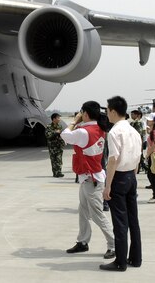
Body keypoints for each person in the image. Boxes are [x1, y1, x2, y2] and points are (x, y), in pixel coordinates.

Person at [61, 101, 115, 260]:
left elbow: (64, 135)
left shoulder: (83, 131)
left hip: (91, 179)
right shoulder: (99, 128)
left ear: (85, 113)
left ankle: (113, 244)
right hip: (90, 177)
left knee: (97, 214)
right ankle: (83, 241)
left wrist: (74, 121)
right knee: (83, 211)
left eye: (81, 113)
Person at [100, 96, 143, 271]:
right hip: (131, 176)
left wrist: (107, 185)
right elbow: (138, 156)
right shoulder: (134, 131)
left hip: (118, 177)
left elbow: (113, 159)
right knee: (133, 220)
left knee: (119, 222)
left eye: (107, 111)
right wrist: (132, 178)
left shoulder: (115, 132)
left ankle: (120, 262)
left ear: (112, 111)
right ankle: (135, 257)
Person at [45, 113, 66, 178]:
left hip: (59, 145)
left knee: (59, 159)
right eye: (58, 118)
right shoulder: (49, 127)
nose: (59, 119)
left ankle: (59, 172)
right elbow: (48, 136)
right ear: (54, 119)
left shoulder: (60, 126)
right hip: (52, 147)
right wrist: (55, 133)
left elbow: (61, 135)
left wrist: (63, 142)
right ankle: (55, 173)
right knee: (53, 160)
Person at [129, 109, 146, 174]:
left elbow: (143, 133)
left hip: (139, 141)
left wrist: (143, 141)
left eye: (133, 114)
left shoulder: (141, 122)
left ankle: (143, 167)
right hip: (133, 141)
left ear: (137, 115)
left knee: (139, 156)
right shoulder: (131, 122)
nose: (131, 116)